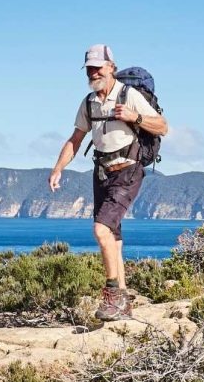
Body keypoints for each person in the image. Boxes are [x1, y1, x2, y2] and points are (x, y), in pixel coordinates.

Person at [48, 44, 168, 320]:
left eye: (97, 68)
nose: (93, 73)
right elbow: (76, 139)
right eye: (89, 69)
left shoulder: (129, 96)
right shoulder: (89, 103)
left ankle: (113, 296)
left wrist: (134, 116)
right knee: (113, 238)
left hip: (128, 171)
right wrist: (58, 168)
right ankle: (123, 304)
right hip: (101, 173)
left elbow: (163, 126)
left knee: (101, 230)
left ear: (111, 67)